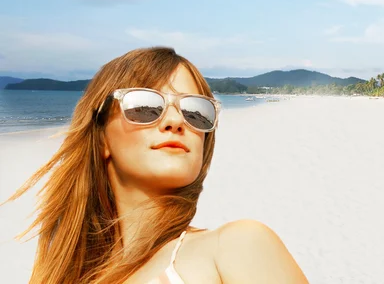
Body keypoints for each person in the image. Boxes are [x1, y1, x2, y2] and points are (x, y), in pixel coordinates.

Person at [6, 47, 308, 284]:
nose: (176, 121)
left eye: (196, 111)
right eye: (145, 106)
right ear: (102, 140)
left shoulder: (234, 248)